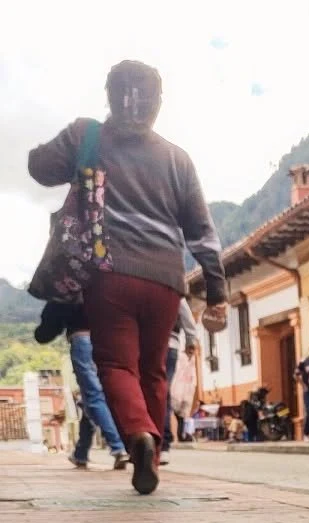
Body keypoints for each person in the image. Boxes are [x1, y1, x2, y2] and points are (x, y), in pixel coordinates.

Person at [28, 60, 227, 496]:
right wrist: (216, 291)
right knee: (153, 371)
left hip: (110, 274)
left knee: (117, 365)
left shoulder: (88, 137)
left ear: (110, 96)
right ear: (158, 103)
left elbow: (39, 168)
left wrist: (64, 147)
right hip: (166, 281)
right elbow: (202, 231)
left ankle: (137, 434)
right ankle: (151, 453)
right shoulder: (177, 159)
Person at [34, 302, 128, 470]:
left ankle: (118, 447)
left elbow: (46, 331)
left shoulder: (68, 284)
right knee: (89, 399)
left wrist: (43, 326)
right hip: (111, 341)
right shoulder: (103, 279)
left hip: (83, 340)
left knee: (93, 396)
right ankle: (81, 453)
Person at [161, 298, 199, 465]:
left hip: (147, 343)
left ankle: (151, 440)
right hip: (170, 344)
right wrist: (191, 340)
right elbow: (186, 314)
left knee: (147, 391)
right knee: (162, 391)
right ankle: (163, 446)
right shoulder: (172, 280)